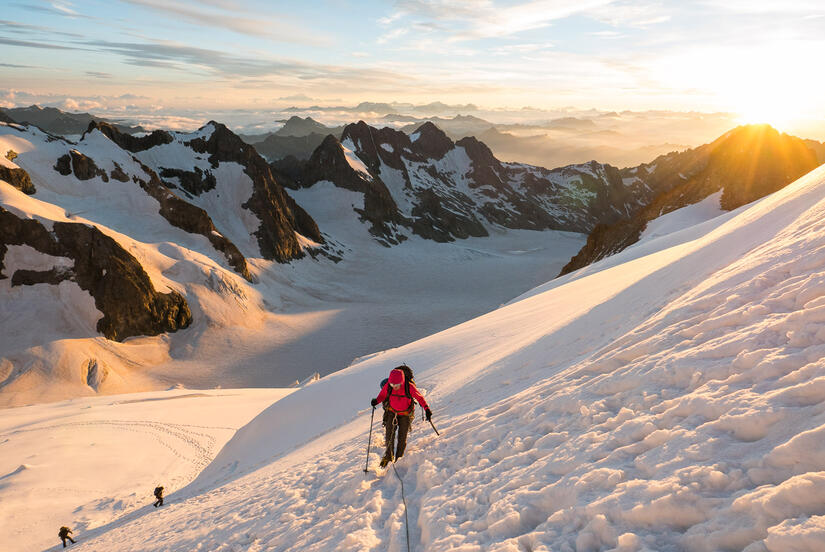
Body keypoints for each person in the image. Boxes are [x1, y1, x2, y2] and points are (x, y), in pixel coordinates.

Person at [370, 366, 432, 467]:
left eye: (397, 384)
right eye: (392, 384)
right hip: (391, 413)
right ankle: (388, 457)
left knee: (402, 438)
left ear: (402, 381)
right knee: (389, 435)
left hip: (405, 415)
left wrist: (427, 409)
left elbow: (419, 398)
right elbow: (382, 395)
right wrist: (376, 401)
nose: (394, 386)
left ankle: (399, 458)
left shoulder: (409, 386)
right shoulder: (389, 386)